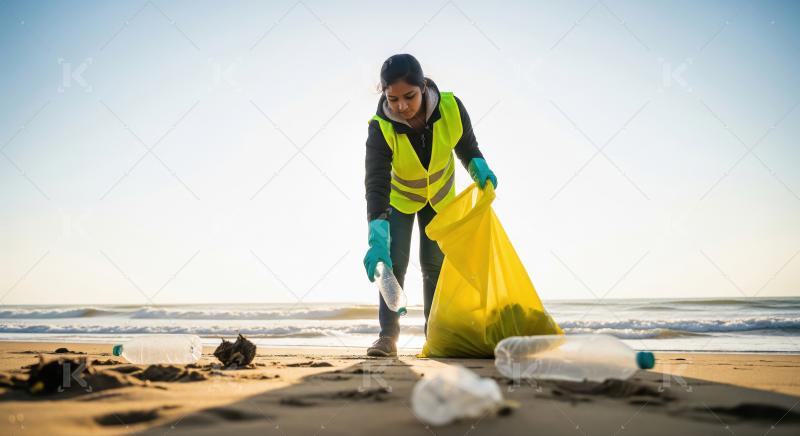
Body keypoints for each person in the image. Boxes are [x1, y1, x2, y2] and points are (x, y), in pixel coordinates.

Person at [363, 54, 497, 357]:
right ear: (384, 94)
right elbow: (376, 184)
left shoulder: (451, 108)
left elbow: (467, 147)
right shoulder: (380, 128)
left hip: (439, 197)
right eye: (392, 98)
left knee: (433, 265)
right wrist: (377, 239)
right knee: (392, 264)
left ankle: (434, 336)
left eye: (409, 96)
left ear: (423, 86)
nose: (401, 106)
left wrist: (480, 170)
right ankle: (388, 338)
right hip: (400, 201)